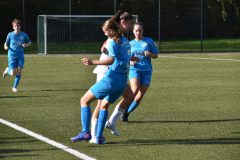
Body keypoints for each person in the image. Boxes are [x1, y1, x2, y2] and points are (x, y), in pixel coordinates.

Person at [71, 19, 131, 144]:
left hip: (111, 79)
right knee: (104, 105)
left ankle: (85, 132)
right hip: (122, 81)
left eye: (105, 32)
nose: (104, 34)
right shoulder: (125, 40)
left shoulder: (112, 42)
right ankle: (97, 137)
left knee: (84, 100)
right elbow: (124, 56)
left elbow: (110, 61)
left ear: (111, 30)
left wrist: (92, 62)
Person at [89, 10, 135, 143]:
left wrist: (129, 57)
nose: (132, 27)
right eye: (130, 24)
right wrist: (102, 51)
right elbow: (106, 50)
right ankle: (93, 135)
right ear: (123, 22)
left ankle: (110, 123)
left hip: (117, 74)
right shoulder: (112, 35)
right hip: (106, 71)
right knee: (100, 104)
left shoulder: (122, 37)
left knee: (129, 96)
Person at [105, 22, 159, 135]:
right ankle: (116, 116)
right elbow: (125, 57)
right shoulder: (130, 44)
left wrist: (150, 55)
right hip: (135, 71)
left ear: (142, 31)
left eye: (140, 30)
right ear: (133, 32)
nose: (138, 33)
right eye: (136, 31)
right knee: (134, 92)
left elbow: (156, 55)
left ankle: (126, 113)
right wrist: (131, 61)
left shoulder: (149, 41)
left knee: (139, 97)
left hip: (147, 71)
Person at [2, 18, 31, 92]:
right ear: (13, 27)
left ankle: (14, 87)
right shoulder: (10, 34)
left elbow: (29, 42)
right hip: (12, 55)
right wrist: (6, 47)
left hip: (20, 55)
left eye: (18, 26)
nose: (17, 27)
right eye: (15, 26)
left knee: (19, 70)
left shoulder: (24, 34)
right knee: (12, 73)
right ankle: (7, 70)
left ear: (20, 26)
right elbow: (6, 43)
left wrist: (26, 45)